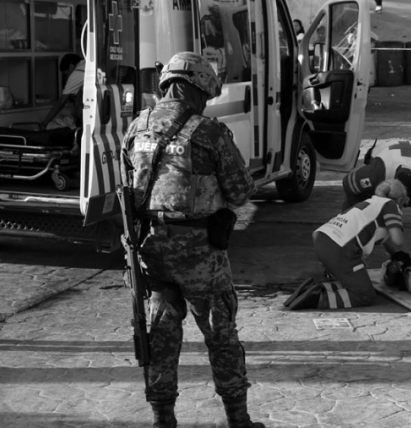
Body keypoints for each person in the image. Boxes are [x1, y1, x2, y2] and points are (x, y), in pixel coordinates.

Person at [119, 52, 264, 428]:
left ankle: (162, 420)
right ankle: (238, 420)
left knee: (160, 338)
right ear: (194, 88)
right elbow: (240, 191)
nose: (205, 102)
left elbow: (129, 189)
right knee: (221, 335)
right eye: (204, 94)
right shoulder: (209, 132)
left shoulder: (136, 128)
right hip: (199, 252)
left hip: (151, 250)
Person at [286, 179, 411, 310]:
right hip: (340, 247)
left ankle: (312, 288)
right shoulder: (390, 206)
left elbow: (391, 245)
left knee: (353, 281)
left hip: (322, 239)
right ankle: (318, 299)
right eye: (404, 204)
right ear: (400, 199)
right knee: (364, 294)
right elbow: (398, 240)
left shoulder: (371, 203)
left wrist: (403, 258)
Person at [343, 139, 411, 244]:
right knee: (356, 197)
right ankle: (346, 231)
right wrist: (359, 216)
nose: (405, 207)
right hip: (386, 148)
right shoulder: (376, 172)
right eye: (402, 202)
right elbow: (348, 183)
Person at [40, 54, 84, 130]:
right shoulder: (86, 64)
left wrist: (44, 123)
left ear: (71, 67)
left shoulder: (76, 74)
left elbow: (61, 102)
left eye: (66, 75)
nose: (67, 79)